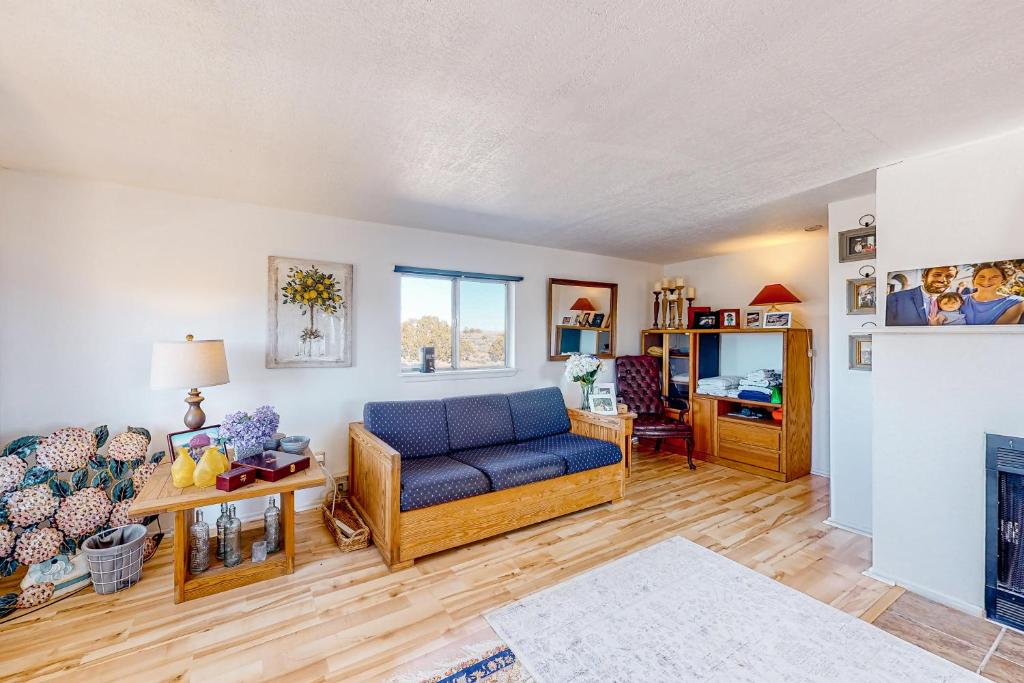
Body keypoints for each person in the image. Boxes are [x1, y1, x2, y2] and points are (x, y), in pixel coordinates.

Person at [886, 265, 957, 326]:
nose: (942, 280)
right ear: (924, 277)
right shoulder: (896, 299)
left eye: (949, 276)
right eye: (937, 274)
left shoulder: (957, 301)